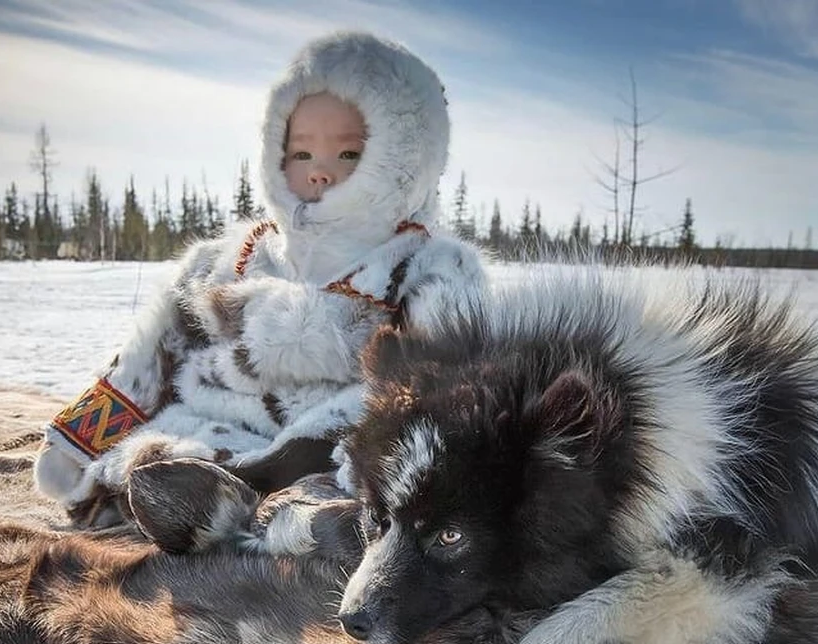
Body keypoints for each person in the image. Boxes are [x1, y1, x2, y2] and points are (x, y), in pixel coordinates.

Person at [33, 31, 486, 526]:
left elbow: (440, 386)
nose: (320, 172)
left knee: (349, 464)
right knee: (156, 456)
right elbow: (150, 359)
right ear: (275, 152)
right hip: (206, 428)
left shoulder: (428, 268)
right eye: (302, 154)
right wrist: (78, 440)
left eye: (349, 155)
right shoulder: (228, 258)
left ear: (405, 160)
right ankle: (183, 495)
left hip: (331, 447)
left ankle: (256, 506)